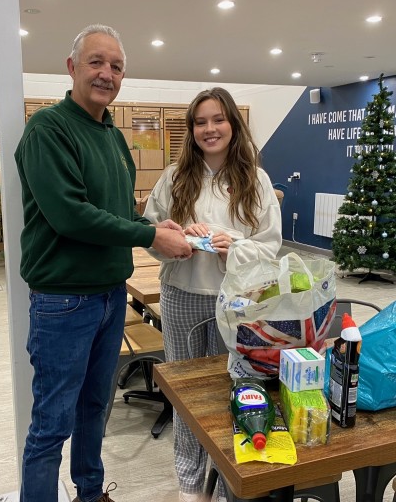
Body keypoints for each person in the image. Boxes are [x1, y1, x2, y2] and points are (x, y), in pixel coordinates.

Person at [14, 24, 191, 502]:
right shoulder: (48, 129)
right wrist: (147, 233)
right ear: (72, 67)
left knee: (95, 408)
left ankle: (90, 494)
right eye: (96, 62)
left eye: (116, 66)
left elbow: (113, 213)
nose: (106, 73)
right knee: (52, 422)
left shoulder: (112, 134)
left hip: (111, 295)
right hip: (63, 302)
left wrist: (159, 226)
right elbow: (70, 215)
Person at [143, 87, 282, 502]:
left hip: (237, 303)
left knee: (232, 393)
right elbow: (150, 235)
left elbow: (270, 247)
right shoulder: (174, 177)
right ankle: (190, 488)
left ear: (233, 125)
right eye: (200, 122)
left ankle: (225, 488)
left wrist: (233, 243)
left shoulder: (255, 180)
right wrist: (176, 235)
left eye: (218, 119)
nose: (209, 129)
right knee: (187, 399)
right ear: (191, 130)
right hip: (182, 295)